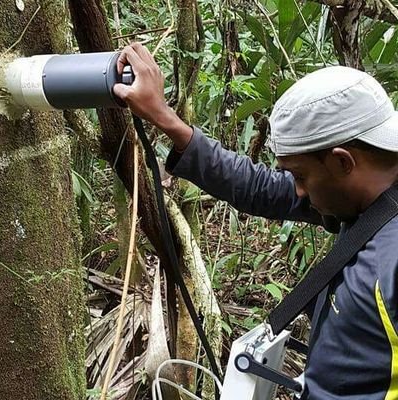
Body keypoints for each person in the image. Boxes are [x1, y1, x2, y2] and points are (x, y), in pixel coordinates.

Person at [113, 43, 398, 400]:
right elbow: (258, 187)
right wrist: (164, 118)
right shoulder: (364, 199)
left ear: (343, 162)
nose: (296, 192)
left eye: (299, 176)